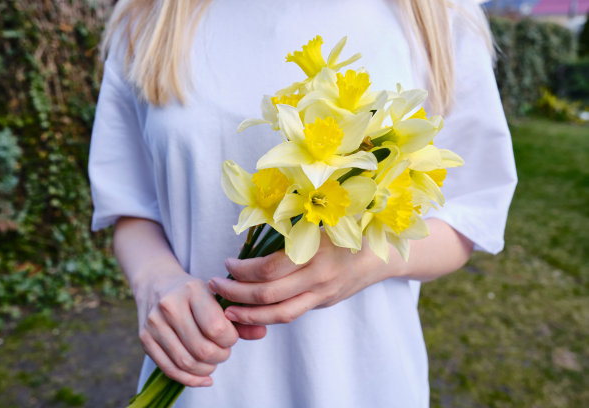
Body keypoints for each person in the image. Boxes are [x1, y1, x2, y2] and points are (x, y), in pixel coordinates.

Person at [88, 0, 517, 406]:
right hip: (200, 381)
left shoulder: (439, 16)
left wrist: (365, 261)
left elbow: (472, 212)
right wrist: (155, 279)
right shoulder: (150, 17)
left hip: (362, 384)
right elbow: (130, 203)